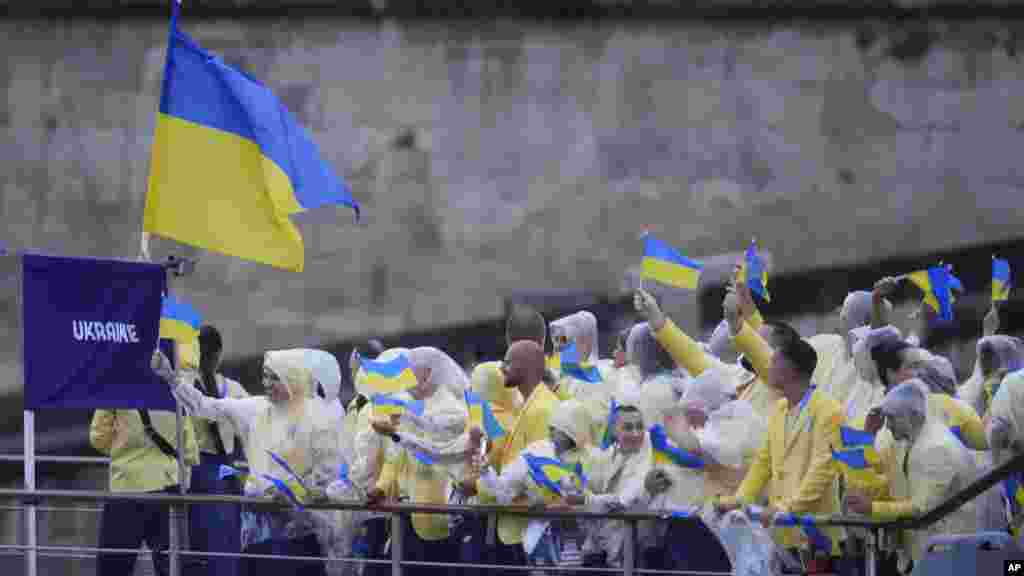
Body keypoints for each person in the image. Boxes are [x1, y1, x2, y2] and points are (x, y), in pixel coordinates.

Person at [154, 348, 341, 576]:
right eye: (265, 376)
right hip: (257, 530)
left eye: (275, 377)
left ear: (292, 379)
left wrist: (295, 494)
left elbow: (328, 475)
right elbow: (205, 406)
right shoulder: (255, 409)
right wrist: (170, 377)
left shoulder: (316, 417)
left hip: (300, 532)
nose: (267, 383)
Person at [714, 310, 845, 571]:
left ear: (791, 370)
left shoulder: (829, 410)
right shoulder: (779, 409)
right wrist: (739, 500)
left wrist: (788, 509)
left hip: (816, 536)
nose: (767, 367)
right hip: (782, 533)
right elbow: (763, 463)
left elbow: (823, 469)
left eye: (774, 361)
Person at [845, 381, 978, 575]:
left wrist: (872, 507)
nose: (887, 426)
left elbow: (921, 508)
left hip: (947, 555)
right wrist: (868, 436)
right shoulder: (913, 436)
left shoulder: (935, 448)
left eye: (891, 418)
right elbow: (887, 470)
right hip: (925, 552)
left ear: (914, 415)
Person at [365, 347, 469, 576]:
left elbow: (434, 450)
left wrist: (400, 426)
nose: (406, 377)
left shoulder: (453, 410)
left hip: (439, 514)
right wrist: (380, 489)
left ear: (429, 373)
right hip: (407, 511)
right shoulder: (408, 407)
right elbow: (395, 456)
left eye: (411, 371)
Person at [461, 400, 591, 570]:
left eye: (559, 428)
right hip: (539, 544)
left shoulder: (594, 459)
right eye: (552, 426)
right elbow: (503, 491)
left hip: (585, 547)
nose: (551, 431)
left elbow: (603, 500)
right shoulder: (535, 452)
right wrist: (487, 472)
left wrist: (569, 504)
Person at [90, 383, 200, 575]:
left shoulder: (116, 388)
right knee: (171, 566)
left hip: (127, 486)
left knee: (114, 566)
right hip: (170, 488)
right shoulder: (176, 388)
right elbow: (190, 451)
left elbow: (98, 438)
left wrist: (123, 452)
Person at [187, 325, 249, 576]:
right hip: (226, 471)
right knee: (227, 540)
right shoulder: (233, 389)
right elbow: (255, 424)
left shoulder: (185, 387)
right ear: (219, 354)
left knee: (197, 540)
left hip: (195, 471)